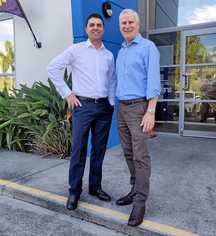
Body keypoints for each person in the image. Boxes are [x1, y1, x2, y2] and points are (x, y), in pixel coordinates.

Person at [47, 13, 116, 211]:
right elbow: (52, 68)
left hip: (103, 108)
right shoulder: (76, 50)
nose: (96, 27)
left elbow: (112, 80)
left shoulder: (108, 55)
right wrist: (67, 94)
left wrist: (110, 101)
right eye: (92, 25)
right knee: (78, 150)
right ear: (86, 29)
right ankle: (74, 191)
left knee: (99, 150)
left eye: (99, 25)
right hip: (82, 107)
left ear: (103, 29)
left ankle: (95, 187)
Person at [115, 9, 161, 226]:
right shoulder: (122, 50)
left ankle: (140, 203)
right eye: (123, 22)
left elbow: (153, 81)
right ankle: (135, 189)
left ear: (138, 24)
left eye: (130, 22)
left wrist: (150, 111)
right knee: (128, 152)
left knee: (141, 156)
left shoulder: (147, 47)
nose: (127, 25)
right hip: (122, 109)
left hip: (139, 108)